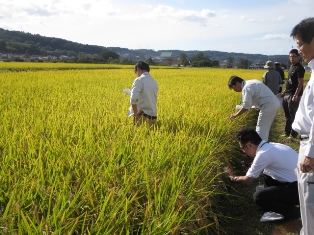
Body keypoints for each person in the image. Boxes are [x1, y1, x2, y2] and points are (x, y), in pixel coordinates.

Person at [225, 127, 300, 222]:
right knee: (267, 176)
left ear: (249, 145)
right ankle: (278, 204)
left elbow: (247, 181)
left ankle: (294, 212)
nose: (244, 152)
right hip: (303, 185)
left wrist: (231, 177)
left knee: (259, 196)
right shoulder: (271, 146)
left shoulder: (263, 154)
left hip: (299, 190)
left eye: (243, 148)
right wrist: (253, 169)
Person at [290, 17, 314, 235]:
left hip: (311, 148)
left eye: (300, 44)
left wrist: (310, 154)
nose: (299, 49)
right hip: (307, 144)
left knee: (310, 203)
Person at [228, 76, 280, 141]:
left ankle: (261, 148)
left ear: (237, 83)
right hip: (272, 103)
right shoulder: (250, 83)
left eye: (233, 88)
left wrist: (235, 115)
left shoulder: (246, 88)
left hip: (268, 106)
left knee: (261, 129)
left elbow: (246, 106)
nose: (234, 90)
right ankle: (263, 145)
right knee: (264, 128)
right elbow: (250, 103)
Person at [281, 49, 305, 138]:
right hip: (287, 93)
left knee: (293, 115)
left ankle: (293, 134)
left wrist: (295, 95)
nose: (292, 58)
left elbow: (300, 83)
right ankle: (287, 132)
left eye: (294, 56)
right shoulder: (291, 66)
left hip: (293, 95)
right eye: (290, 56)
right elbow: (289, 80)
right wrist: (285, 91)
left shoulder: (299, 68)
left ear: (298, 57)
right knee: (287, 115)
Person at [130, 61, 158, 126]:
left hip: (142, 115)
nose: (136, 74)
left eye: (136, 72)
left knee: (139, 135)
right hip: (153, 115)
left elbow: (133, 99)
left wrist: (136, 114)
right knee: (151, 135)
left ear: (138, 69)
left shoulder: (139, 80)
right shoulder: (154, 81)